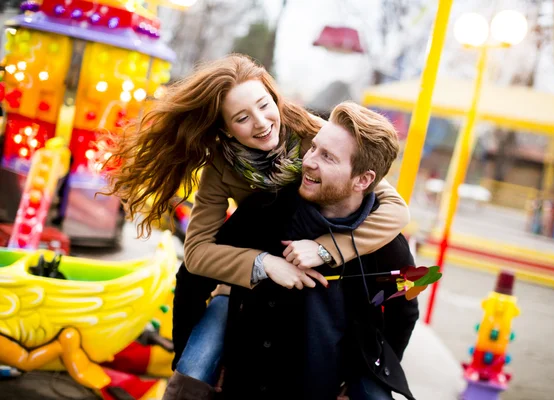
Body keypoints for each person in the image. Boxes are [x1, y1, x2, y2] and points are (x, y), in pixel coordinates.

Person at [103, 55, 410, 394]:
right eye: (242, 118)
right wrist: (263, 264)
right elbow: (197, 254)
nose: (262, 123)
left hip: (314, 269)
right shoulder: (223, 168)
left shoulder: (313, 134)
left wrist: (327, 248)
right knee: (195, 365)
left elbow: (392, 207)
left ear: (274, 96)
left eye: (264, 105)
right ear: (225, 127)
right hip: (248, 273)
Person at [176, 102, 418, 400]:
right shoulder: (267, 209)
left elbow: (405, 307)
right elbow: (192, 275)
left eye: (327, 157)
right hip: (243, 386)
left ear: (364, 180)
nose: (308, 161)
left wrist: (373, 372)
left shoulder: (387, 244)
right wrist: (200, 356)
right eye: (313, 148)